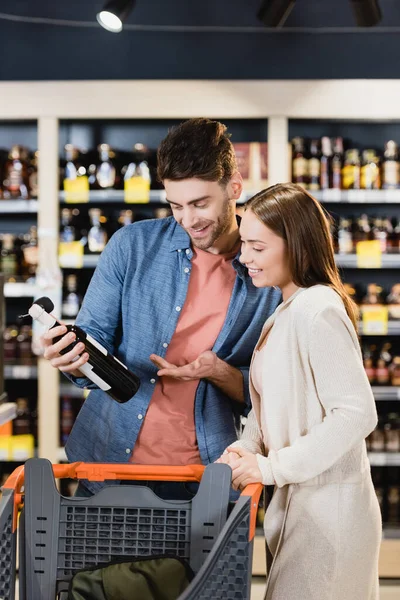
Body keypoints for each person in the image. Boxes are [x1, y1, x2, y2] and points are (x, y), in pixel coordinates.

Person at [41, 118, 281, 497]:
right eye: (176, 205)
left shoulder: (268, 272)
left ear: (234, 186)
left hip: (207, 474)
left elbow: (274, 394)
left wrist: (219, 372)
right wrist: (74, 358)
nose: (188, 219)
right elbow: (95, 341)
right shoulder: (131, 246)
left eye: (200, 203)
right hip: (106, 462)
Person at [217, 183, 381, 599]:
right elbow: (272, 399)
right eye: (244, 243)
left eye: (257, 246)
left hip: (330, 518)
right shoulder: (288, 308)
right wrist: (247, 446)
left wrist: (270, 468)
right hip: (301, 508)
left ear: (296, 245)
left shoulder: (318, 309)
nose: (244, 257)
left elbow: (356, 412)